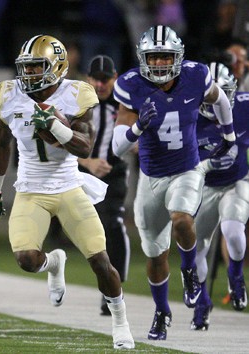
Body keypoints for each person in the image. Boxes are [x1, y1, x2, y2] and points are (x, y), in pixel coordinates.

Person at [0, 34, 134, 349]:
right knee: (26, 258)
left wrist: (55, 124)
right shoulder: (8, 94)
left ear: (57, 66)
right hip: (30, 189)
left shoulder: (77, 94)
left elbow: (84, 145)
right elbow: (1, 144)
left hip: (68, 186)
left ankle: (120, 323)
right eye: (26, 68)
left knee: (100, 260)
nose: (30, 74)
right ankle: (54, 262)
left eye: (38, 67)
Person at [112, 25, 237, 340]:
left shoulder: (196, 76)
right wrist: (138, 127)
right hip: (151, 177)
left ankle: (191, 272)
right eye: (153, 58)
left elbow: (220, 98)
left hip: (187, 169)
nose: (158, 64)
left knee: (181, 218)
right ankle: (161, 312)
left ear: (178, 57)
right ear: (144, 59)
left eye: (164, 57)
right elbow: (117, 147)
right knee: (155, 256)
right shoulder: (131, 86)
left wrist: (229, 134)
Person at [190, 62, 248, 330]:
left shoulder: (244, 107)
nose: (217, 102)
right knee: (197, 247)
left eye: (223, 94)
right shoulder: (187, 116)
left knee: (234, 231)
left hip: (237, 181)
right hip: (203, 187)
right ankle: (202, 302)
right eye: (213, 95)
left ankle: (235, 276)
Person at [80, 55, 131, 316]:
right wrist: (88, 163)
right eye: (96, 80)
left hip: (114, 172)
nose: (100, 85)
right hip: (81, 171)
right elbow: (58, 142)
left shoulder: (124, 103)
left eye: (105, 79)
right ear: (88, 79)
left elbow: (136, 137)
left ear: (115, 79)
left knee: (113, 223)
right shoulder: (77, 103)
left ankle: (114, 288)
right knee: (83, 229)